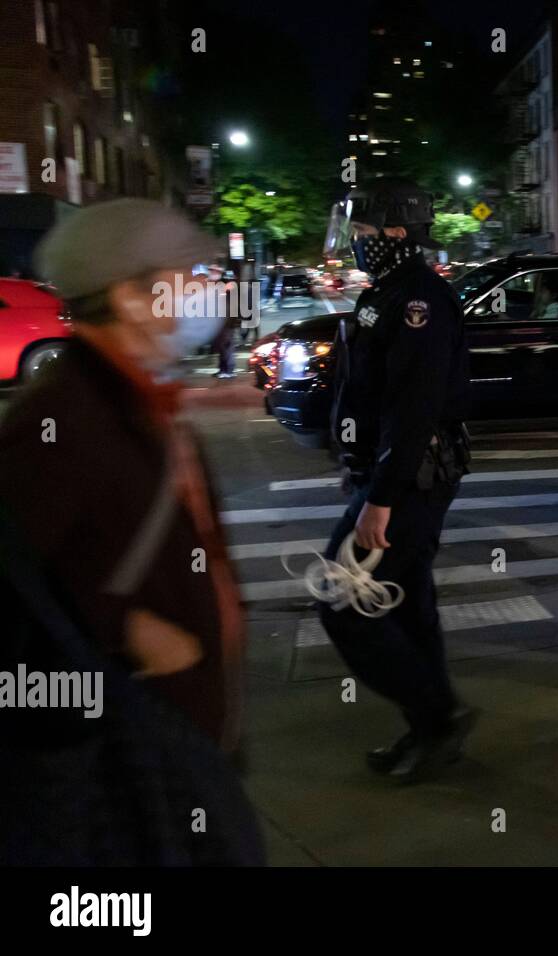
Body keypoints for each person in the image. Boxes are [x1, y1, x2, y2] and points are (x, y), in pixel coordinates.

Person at [0, 199, 262, 863]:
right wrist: (124, 631)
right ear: (133, 298)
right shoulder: (58, 424)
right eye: (189, 274)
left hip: (188, 740)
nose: (208, 289)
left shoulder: (141, 398)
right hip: (132, 770)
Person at [321, 177, 475, 782]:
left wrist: (379, 498)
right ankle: (432, 730)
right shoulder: (386, 292)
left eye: (364, 233)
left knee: (343, 602)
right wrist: (357, 468)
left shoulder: (421, 300)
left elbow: (414, 409)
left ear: (397, 233)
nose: (358, 243)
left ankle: (438, 715)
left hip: (411, 478)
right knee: (407, 605)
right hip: (390, 475)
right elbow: (366, 391)